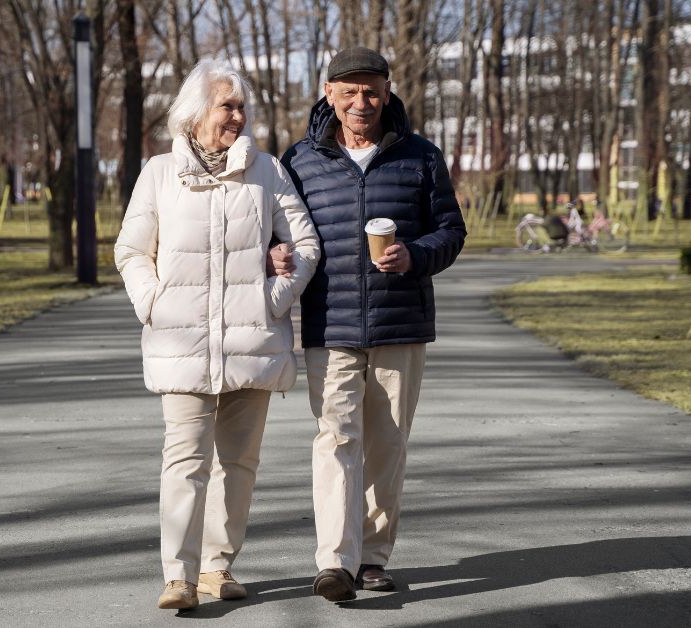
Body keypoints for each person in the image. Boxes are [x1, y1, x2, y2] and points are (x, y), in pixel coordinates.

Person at [115, 59, 319, 611]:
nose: (238, 115)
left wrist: (273, 298)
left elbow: (304, 245)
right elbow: (132, 251)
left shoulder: (267, 171)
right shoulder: (159, 173)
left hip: (251, 344)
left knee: (240, 463)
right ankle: (177, 576)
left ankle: (217, 568)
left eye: (241, 106)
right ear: (196, 111)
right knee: (184, 460)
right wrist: (152, 303)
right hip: (180, 343)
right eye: (227, 105)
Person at [277, 47, 466, 602]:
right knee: (336, 438)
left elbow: (450, 232)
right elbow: (278, 231)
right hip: (328, 323)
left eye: (372, 90)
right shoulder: (300, 160)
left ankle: (373, 558)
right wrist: (276, 255)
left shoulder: (421, 157)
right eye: (350, 91)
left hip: (400, 323)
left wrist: (415, 254)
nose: (362, 101)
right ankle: (335, 560)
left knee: (386, 443)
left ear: (388, 90)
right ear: (329, 93)